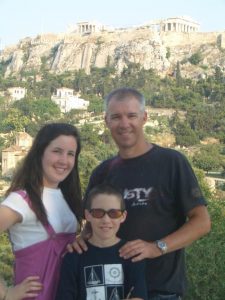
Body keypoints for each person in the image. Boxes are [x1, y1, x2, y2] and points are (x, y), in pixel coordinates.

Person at [73, 87, 211, 300]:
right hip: (110, 290)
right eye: (116, 117)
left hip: (161, 291)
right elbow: (92, 224)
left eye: (131, 116)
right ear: (106, 120)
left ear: (144, 117)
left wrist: (157, 247)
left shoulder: (172, 162)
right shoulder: (102, 172)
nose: (124, 124)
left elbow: (202, 222)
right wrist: (82, 239)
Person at [0, 122, 82, 300]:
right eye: (57, 151)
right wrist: (5, 293)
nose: (64, 160)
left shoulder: (67, 198)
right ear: (40, 153)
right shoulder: (22, 200)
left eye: (70, 154)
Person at [56, 183, 147, 300]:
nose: (106, 220)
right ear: (87, 215)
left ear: (123, 216)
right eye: (98, 213)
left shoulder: (132, 254)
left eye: (113, 213)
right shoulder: (73, 256)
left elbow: (138, 296)